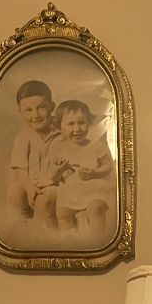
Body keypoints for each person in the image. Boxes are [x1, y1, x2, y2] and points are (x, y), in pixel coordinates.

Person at [47, 99, 116, 239]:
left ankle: (98, 241)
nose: (77, 129)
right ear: (60, 127)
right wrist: (59, 171)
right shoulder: (58, 149)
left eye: (82, 123)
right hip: (70, 193)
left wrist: (96, 173)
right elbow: (52, 177)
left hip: (94, 191)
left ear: (89, 123)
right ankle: (71, 244)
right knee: (62, 213)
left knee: (96, 208)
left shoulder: (97, 146)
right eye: (71, 124)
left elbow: (108, 165)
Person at [5, 80, 61, 234]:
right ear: (20, 113)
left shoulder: (61, 131)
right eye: (28, 110)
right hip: (32, 179)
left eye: (41, 107)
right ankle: (19, 230)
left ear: (52, 107)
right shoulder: (23, 137)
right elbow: (20, 167)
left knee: (45, 200)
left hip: (56, 182)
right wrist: (29, 188)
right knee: (14, 191)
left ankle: (48, 236)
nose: (35, 115)